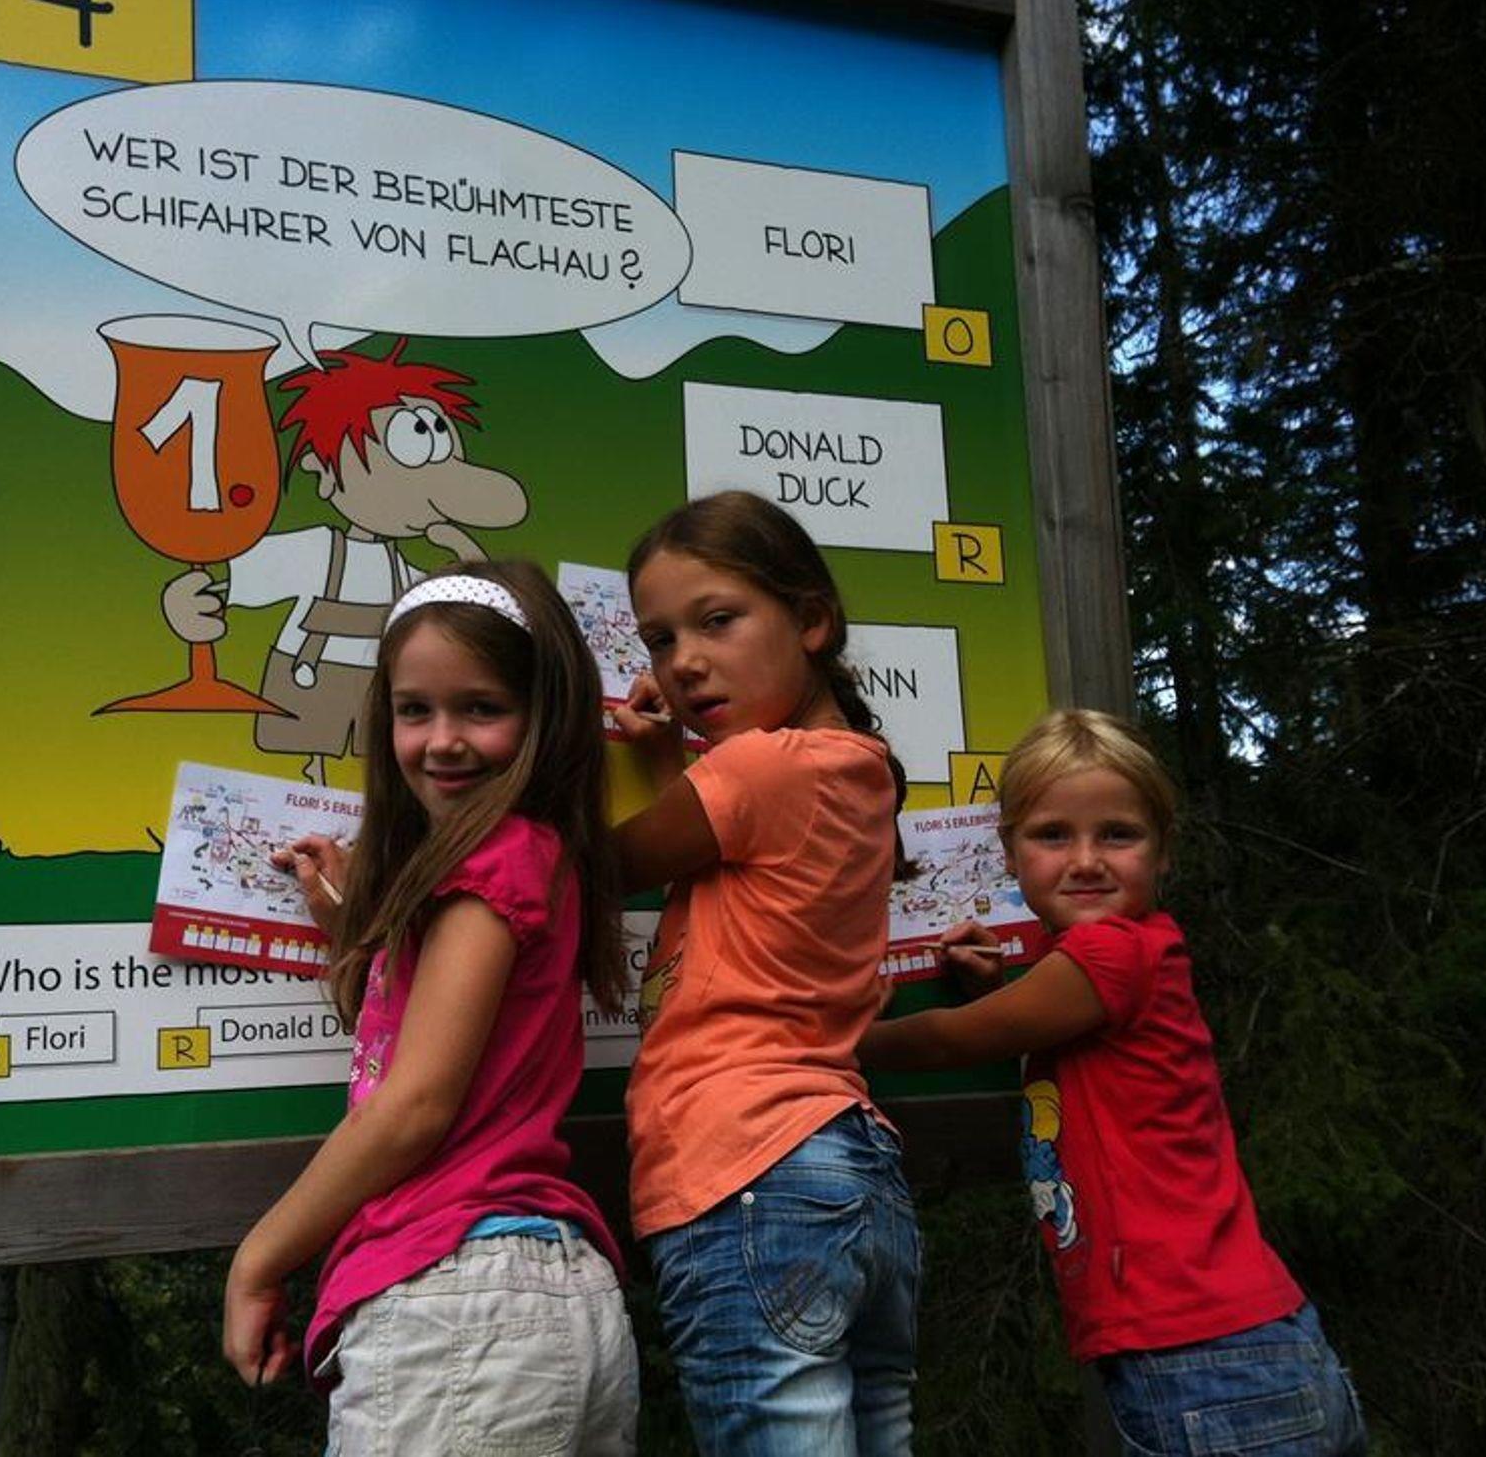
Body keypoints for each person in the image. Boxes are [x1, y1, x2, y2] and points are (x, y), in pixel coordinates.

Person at [858, 708, 1367, 1456]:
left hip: (1206, 1363)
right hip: (1240, 1351)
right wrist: (993, 987)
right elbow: (1045, 1036)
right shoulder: (1108, 965)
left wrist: (842, 1035)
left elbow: (956, 1039)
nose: (1086, 860)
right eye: (1053, 835)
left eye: (1118, 835)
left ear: (1164, 851)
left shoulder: (1114, 955)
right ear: (1009, 852)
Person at [222, 559, 638, 1453]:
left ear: (545, 714)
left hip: (459, 1301)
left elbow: (414, 1104)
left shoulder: (489, 865)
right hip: (543, 1298)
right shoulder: (536, 859)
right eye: (415, 710)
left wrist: (259, 1260)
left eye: (480, 708)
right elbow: (438, 1030)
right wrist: (356, 929)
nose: (442, 741)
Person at [609, 490, 919, 1456]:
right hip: (850, 1167)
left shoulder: (762, 771)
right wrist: (672, 762)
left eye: (718, 621)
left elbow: (599, 863)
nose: (683, 662)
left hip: (744, 1165)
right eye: (660, 639)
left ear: (812, 620)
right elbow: (723, 853)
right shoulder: (850, 771)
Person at [163, 339, 529, 781]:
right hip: (309, 674)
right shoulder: (317, 550)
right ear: (325, 471)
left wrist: (466, 553)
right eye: (411, 446)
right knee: (309, 764)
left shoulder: (406, 573)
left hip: (379, 688)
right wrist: (187, 603)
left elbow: (467, 621)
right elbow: (222, 581)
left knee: (371, 769)